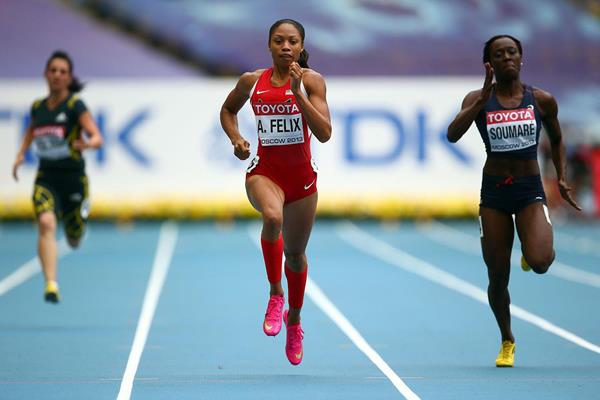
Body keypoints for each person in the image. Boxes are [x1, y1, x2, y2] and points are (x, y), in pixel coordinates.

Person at [447, 35, 581, 368]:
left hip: (528, 189)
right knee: (497, 275)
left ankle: (529, 248)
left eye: (512, 52)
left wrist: (561, 177)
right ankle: (507, 338)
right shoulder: (478, 99)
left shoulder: (542, 100)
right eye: (499, 54)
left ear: (521, 58)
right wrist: (480, 101)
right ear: (489, 63)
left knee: (540, 261)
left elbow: (558, 139)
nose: (507, 57)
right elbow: (452, 134)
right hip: (494, 193)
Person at [220, 19, 331, 365]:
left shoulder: (312, 82)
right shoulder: (251, 82)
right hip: (264, 173)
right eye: (279, 41)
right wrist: (236, 138)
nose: (286, 47)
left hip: (301, 181)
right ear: (268, 45)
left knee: (296, 256)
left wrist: (299, 95)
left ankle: (294, 322)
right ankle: (275, 293)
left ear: (301, 48)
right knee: (271, 216)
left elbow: (325, 133)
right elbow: (227, 111)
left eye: (292, 42)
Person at [12, 50, 103, 303]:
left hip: (73, 179)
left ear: (69, 77)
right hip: (46, 178)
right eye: (53, 70)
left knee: (73, 240)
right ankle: (51, 283)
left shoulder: (75, 106)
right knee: (46, 224)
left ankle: (78, 223)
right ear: (46, 74)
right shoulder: (38, 106)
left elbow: (97, 136)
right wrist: (20, 154)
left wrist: (88, 144)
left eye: (62, 71)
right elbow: (32, 131)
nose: (57, 75)